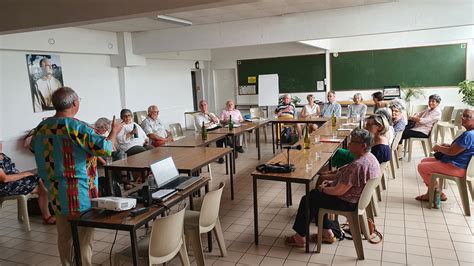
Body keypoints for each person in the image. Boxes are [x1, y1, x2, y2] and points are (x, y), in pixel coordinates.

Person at [31, 87, 121, 265]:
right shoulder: (76, 127)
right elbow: (106, 149)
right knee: (83, 239)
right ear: (74, 103)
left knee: (64, 236)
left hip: (56, 192)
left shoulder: (41, 127)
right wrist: (114, 132)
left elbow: (34, 147)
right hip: (80, 194)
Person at [285, 129, 381, 247]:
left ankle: (299, 237)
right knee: (317, 197)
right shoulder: (370, 157)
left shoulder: (358, 165)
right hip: (357, 199)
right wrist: (331, 183)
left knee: (309, 199)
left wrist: (322, 188)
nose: (349, 143)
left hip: (348, 202)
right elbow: (349, 182)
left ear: (363, 146)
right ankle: (327, 233)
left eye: (353, 142)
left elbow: (338, 191)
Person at [415, 108, 474, 202]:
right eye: (463, 115)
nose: (463, 118)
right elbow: (461, 149)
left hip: (457, 167)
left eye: (468, 116)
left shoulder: (469, 135)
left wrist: (438, 147)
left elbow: (451, 152)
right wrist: (448, 145)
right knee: (424, 161)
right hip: (457, 163)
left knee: (422, 167)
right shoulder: (470, 133)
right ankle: (431, 192)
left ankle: (438, 193)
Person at [0, 147, 55, 225]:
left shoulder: (2, 155)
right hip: (3, 187)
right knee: (39, 183)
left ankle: (47, 215)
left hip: (11, 182)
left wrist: (26, 174)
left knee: (39, 178)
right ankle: (47, 216)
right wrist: (25, 174)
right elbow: (4, 179)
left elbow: (13, 172)